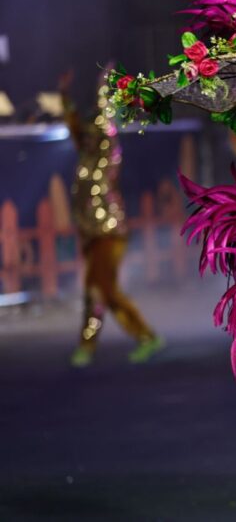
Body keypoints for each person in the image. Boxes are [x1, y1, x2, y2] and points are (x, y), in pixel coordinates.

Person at [59, 70, 162, 367]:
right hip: (91, 231)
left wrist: (104, 85)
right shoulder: (85, 153)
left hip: (108, 230)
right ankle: (87, 347)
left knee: (104, 289)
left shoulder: (108, 151)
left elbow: (104, 124)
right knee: (95, 290)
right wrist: (65, 96)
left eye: (95, 132)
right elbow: (74, 125)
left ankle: (145, 336)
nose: (89, 136)